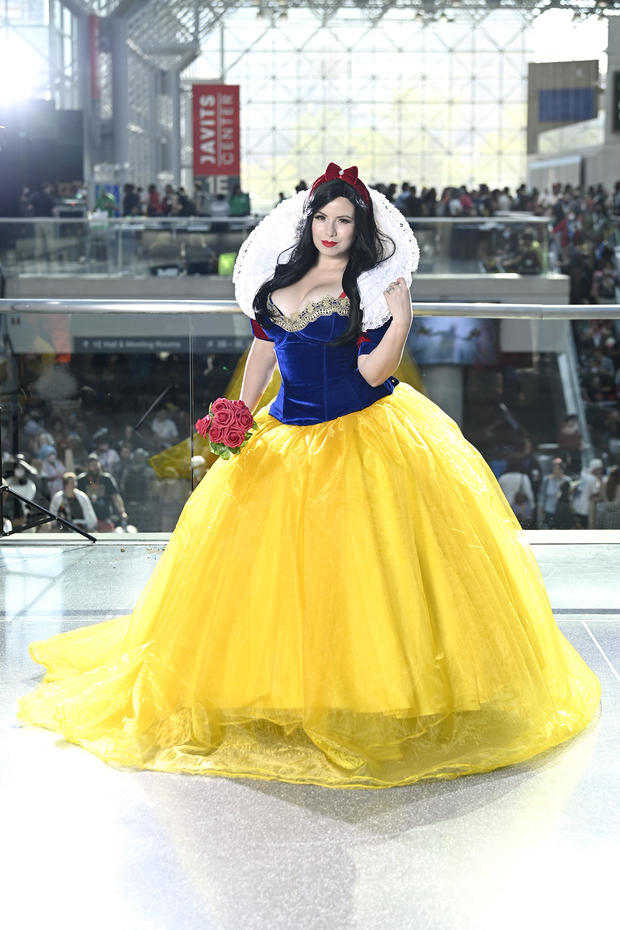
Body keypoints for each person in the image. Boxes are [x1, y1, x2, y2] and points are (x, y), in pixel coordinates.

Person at [18, 161, 600, 789]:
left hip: (363, 432)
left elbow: (374, 375)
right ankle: (273, 688)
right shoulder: (276, 284)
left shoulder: (367, 289)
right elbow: (264, 351)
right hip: (283, 436)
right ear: (310, 222)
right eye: (323, 217)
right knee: (268, 579)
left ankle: (368, 692)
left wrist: (401, 321)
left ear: (359, 228)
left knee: (361, 574)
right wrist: (239, 410)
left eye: (344, 220)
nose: (331, 229)